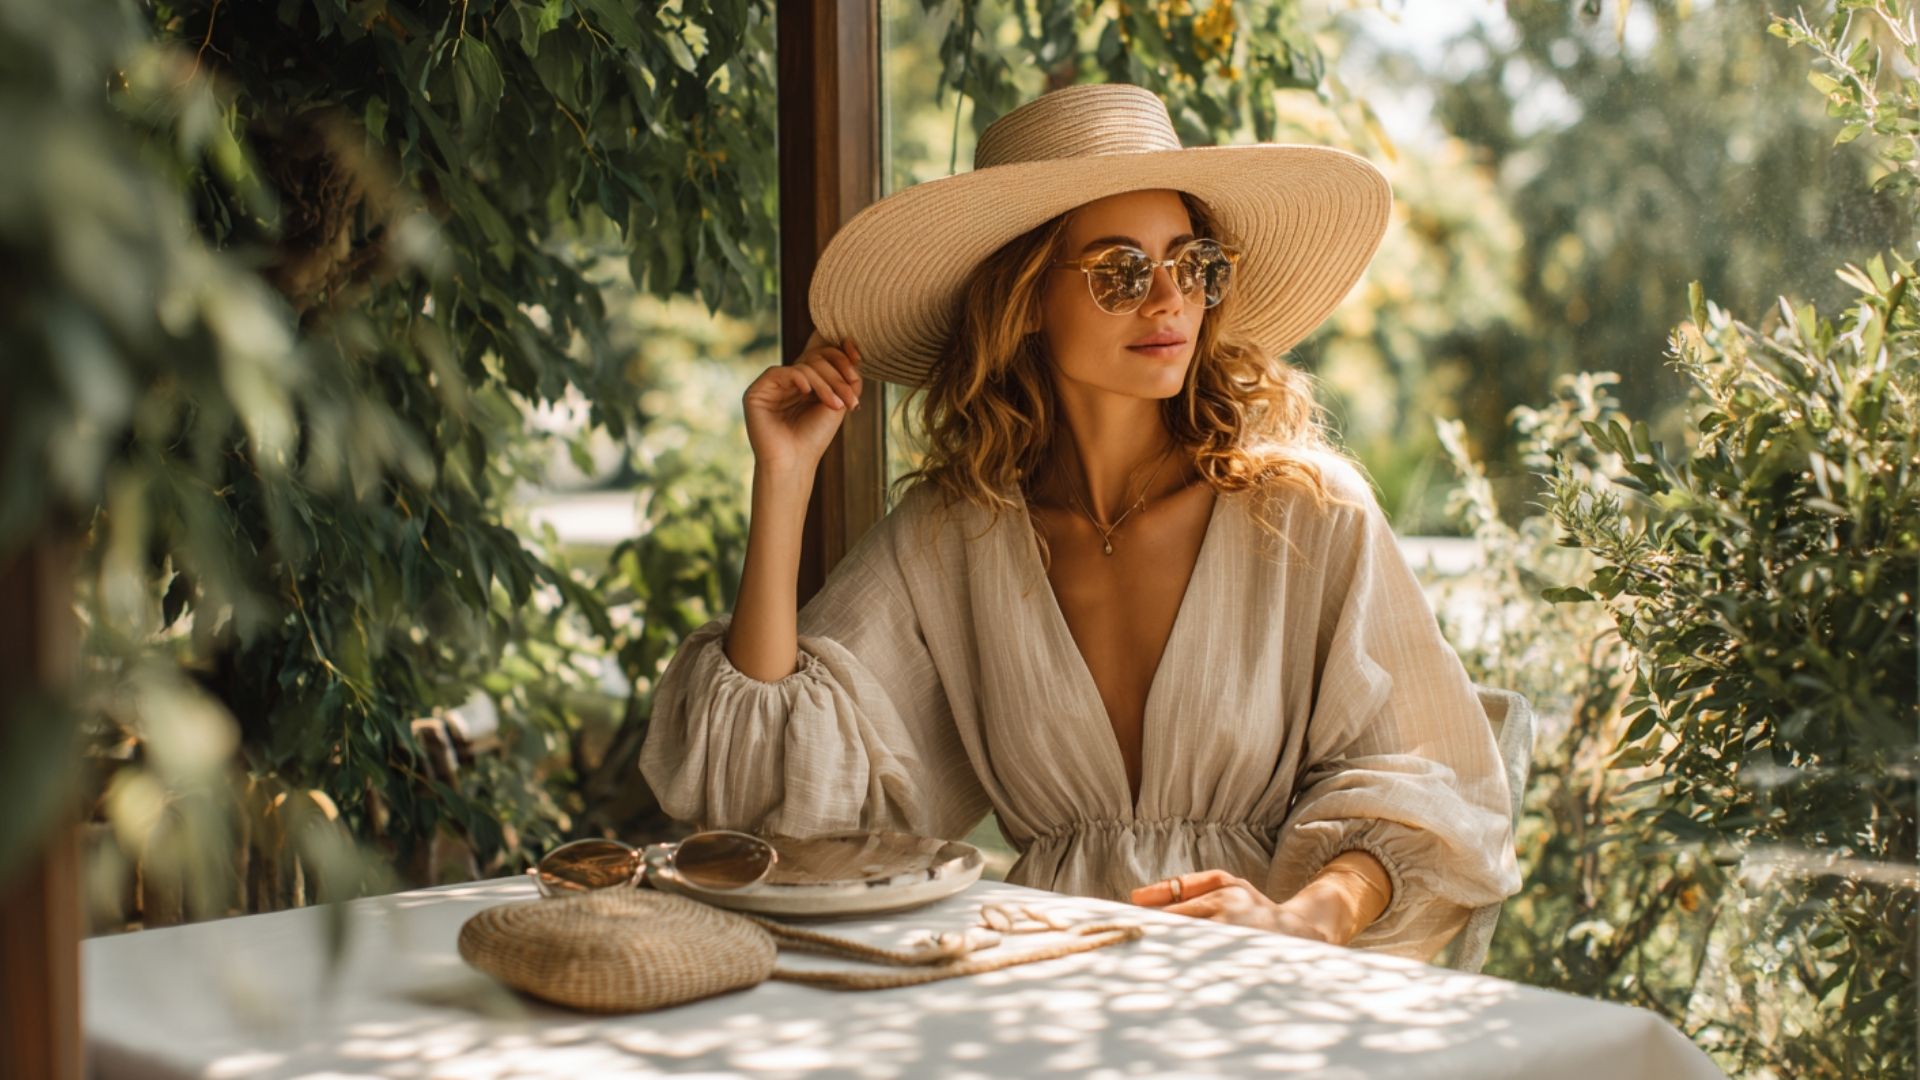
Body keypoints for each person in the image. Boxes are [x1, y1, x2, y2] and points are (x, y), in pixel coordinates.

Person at [639, 84, 1519, 962]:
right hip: (1049, 980)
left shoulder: (1304, 512)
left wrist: (1307, 916)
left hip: (1261, 994)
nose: (1169, 298)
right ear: (1024, 300)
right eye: (1120, 271)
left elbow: (1426, 781)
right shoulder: (955, 534)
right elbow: (770, 796)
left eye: (1193, 261)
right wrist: (784, 481)